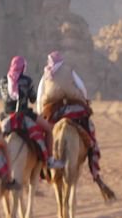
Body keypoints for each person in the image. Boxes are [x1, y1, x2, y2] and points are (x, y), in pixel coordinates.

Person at [35, 50, 105, 184]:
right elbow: (81, 87)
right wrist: (84, 101)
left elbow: (40, 95)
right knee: (89, 127)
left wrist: (41, 114)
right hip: (74, 105)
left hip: (53, 109)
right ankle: (93, 162)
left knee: (42, 134)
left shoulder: (46, 74)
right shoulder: (69, 70)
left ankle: (43, 166)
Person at [0, 55, 60, 171]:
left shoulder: (3, 80)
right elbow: (32, 99)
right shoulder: (27, 81)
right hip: (24, 114)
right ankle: (50, 160)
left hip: (6, 115)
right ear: (23, 68)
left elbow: (5, 98)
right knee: (48, 129)